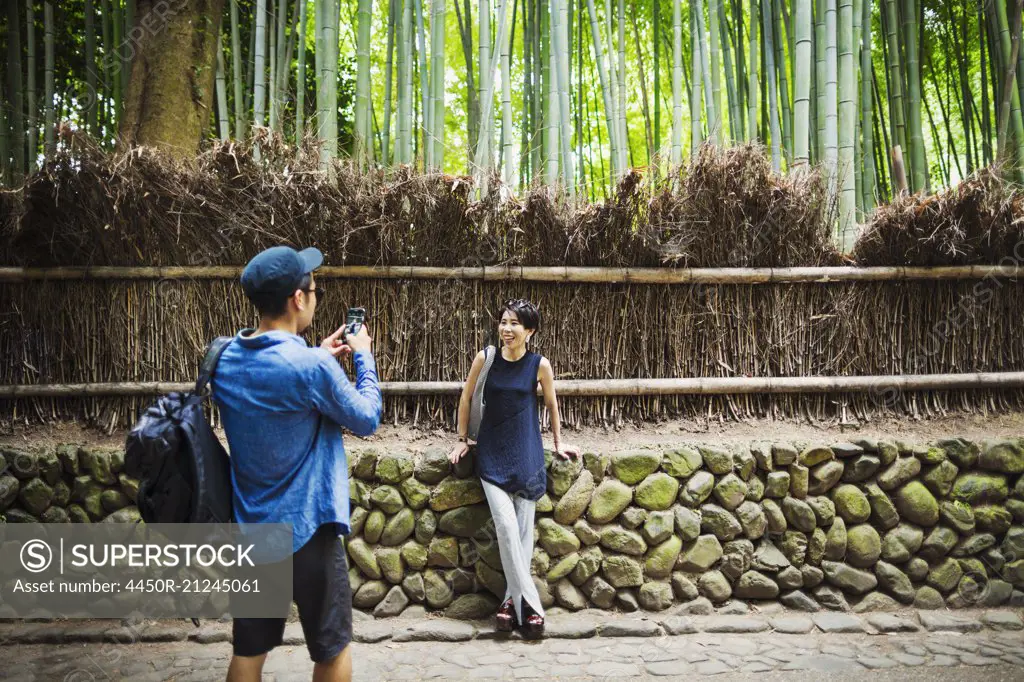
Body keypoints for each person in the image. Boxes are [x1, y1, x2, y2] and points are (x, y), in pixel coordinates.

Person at [211, 245, 382, 682]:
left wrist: (317, 356)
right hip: (310, 531)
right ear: (298, 299)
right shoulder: (309, 368)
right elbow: (366, 418)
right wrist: (362, 355)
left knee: (248, 652)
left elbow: (273, 377)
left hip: (253, 528)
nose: (315, 295)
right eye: (314, 288)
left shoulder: (222, 358)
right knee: (331, 650)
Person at [448, 298, 579, 638]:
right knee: (506, 529)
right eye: (503, 322)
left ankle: (509, 604)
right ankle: (533, 608)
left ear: (530, 331)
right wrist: (463, 438)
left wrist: (557, 443)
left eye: (514, 324)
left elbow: (551, 404)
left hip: (528, 455)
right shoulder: (486, 358)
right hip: (491, 453)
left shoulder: (540, 365)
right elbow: (466, 398)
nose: (506, 329)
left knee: (523, 535)